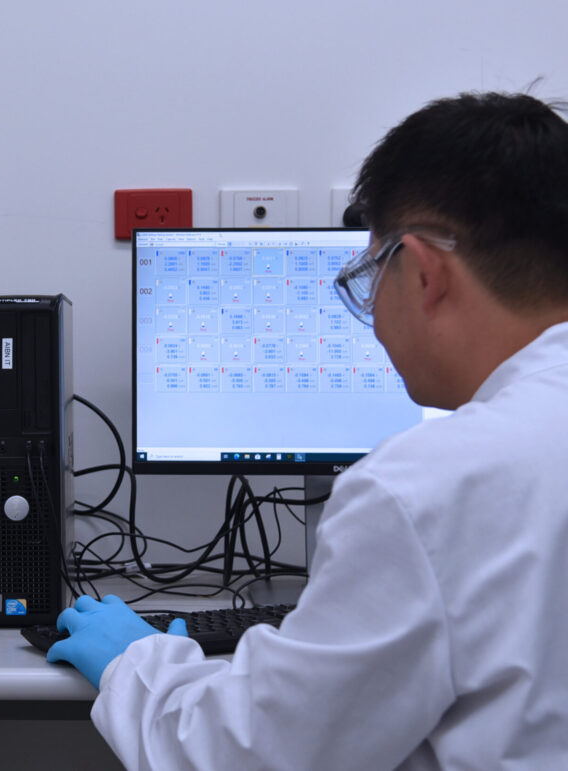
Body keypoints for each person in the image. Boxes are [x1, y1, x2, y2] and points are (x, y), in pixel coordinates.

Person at [47, 90, 568, 769]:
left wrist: (136, 662)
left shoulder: (423, 491)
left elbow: (244, 755)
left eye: (367, 278)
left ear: (423, 273)